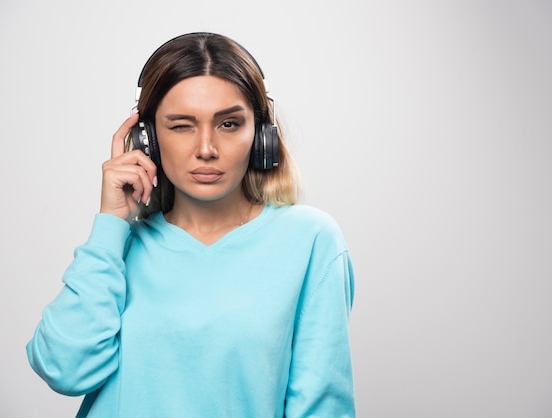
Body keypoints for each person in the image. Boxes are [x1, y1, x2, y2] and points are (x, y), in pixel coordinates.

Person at [26, 32, 355, 417]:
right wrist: (110, 225)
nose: (206, 148)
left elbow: (322, 408)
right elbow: (64, 370)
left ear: (262, 135)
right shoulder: (118, 247)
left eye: (229, 124)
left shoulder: (310, 241)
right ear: (146, 139)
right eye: (181, 125)